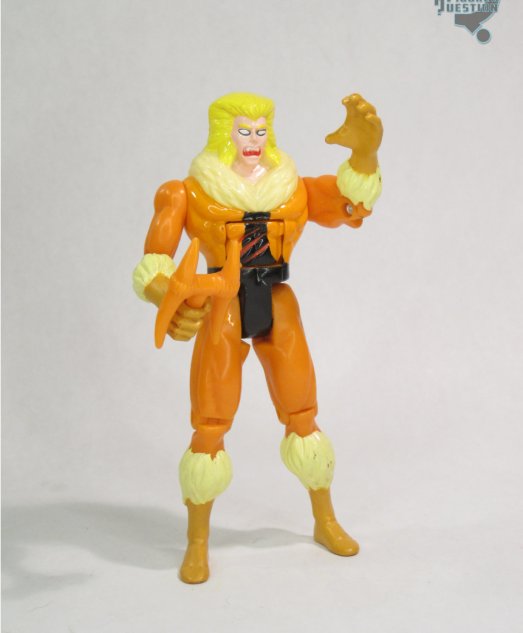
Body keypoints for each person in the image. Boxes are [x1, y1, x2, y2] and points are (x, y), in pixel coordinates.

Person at [133, 92, 383, 583]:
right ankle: (197, 541)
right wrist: (169, 296)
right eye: (243, 131)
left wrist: (365, 155)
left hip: (277, 300)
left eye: (261, 130)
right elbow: (155, 260)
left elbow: (349, 202)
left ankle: (325, 519)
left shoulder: (290, 189)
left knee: (302, 410)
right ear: (223, 134)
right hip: (221, 303)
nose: (253, 140)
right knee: (211, 419)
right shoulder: (188, 193)